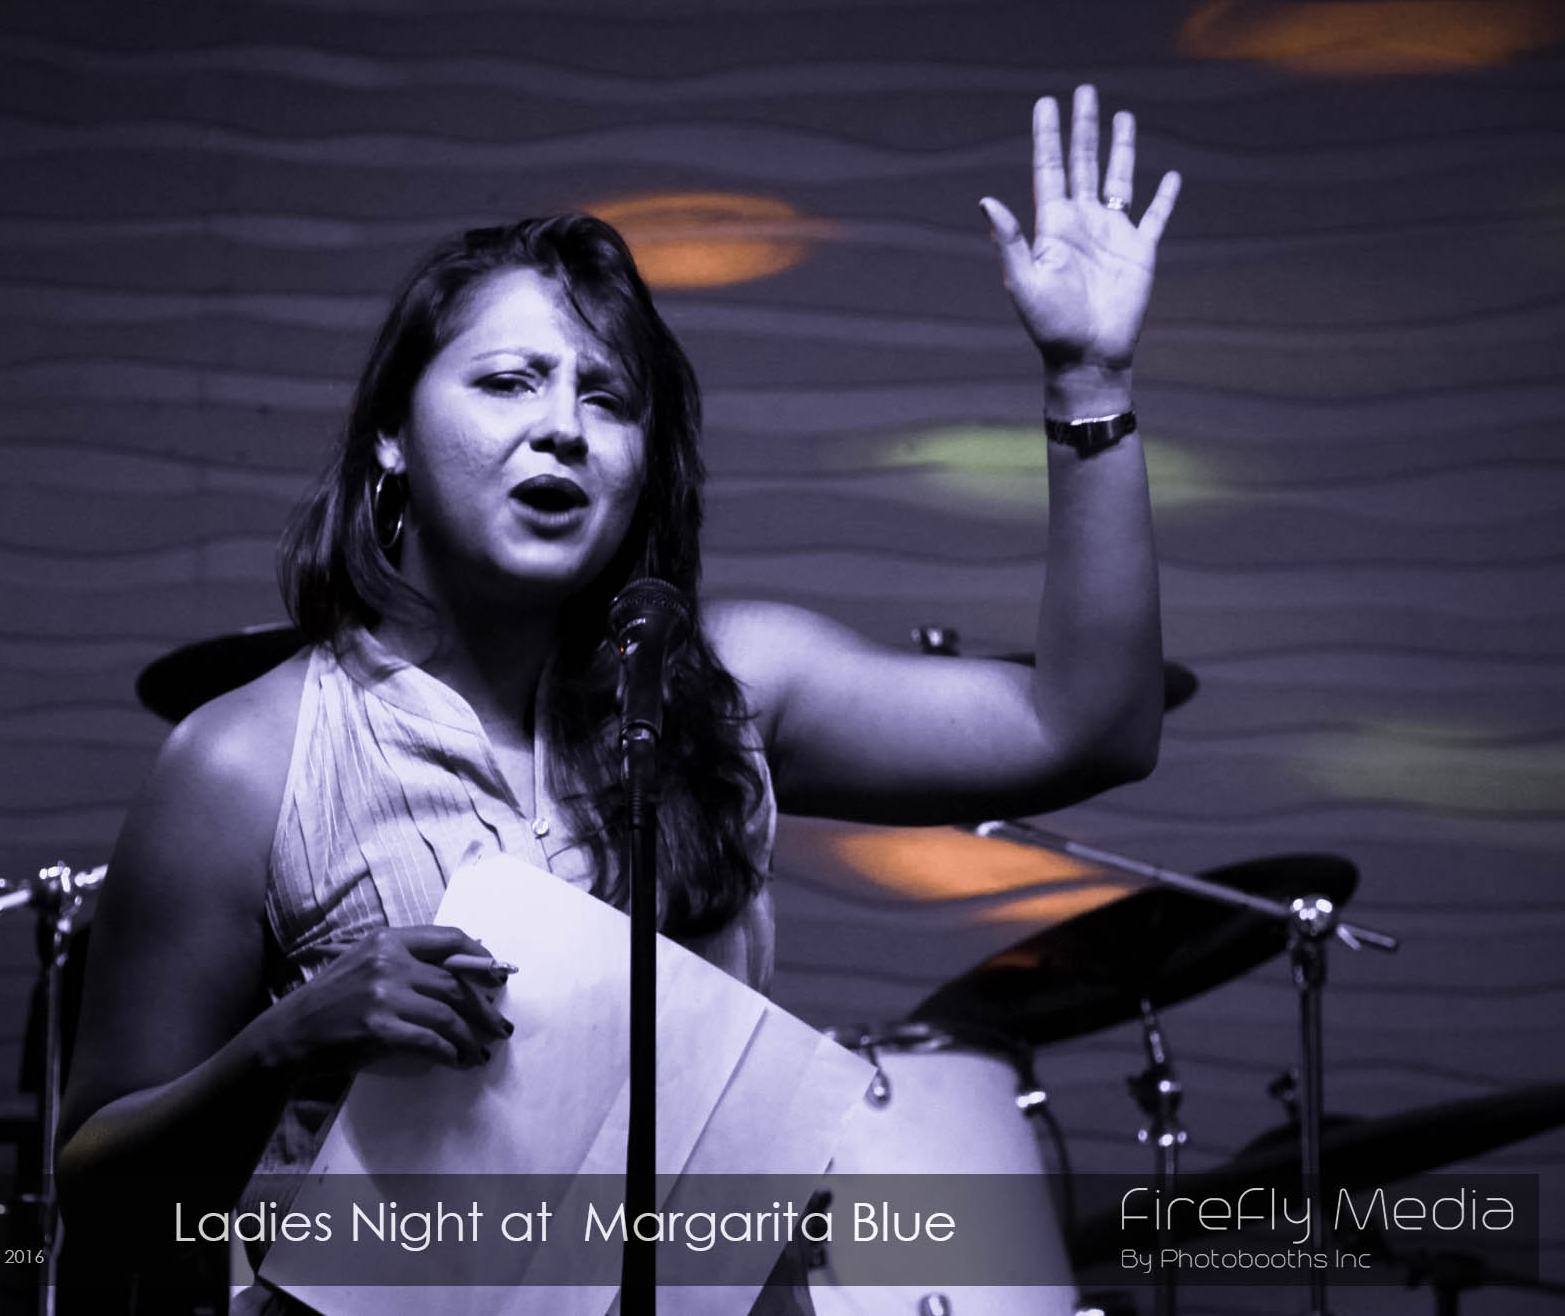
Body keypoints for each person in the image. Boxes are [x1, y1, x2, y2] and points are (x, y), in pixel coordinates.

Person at [57, 84, 1179, 1311]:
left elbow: (1090, 726)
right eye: (508, 382)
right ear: (390, 434)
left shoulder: (730, 684)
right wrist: (282, 1043)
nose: (562, 429)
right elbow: (97, 1184)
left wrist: (1087, 378)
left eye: (606, 396)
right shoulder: (246, 757)